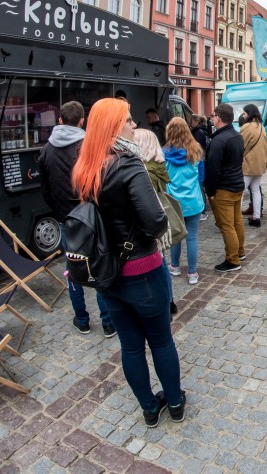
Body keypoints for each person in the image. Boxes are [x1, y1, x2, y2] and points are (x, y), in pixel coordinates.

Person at [71, 98, 183, 426]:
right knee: (160, 338)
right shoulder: (128, 164)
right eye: (128, 121)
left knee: (131, 347)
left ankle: (149, 408)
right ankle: (174, 403)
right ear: (113, 127)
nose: (134, 126)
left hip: (107, 274)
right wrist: (158, 220)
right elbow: (155, 221)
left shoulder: (84, 168)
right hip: (143, 269)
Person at [38, 101, 114, 337]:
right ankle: (108, 322)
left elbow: (45, 190)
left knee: (73, 269)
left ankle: (81, 320)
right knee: (99, 266)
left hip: (65, 219)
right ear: (82, 121)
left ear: (60, 120)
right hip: (91, 216)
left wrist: (61, 210)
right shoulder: (88, 147)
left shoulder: (46, 151)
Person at [133, 129, 181, 312]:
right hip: (160, 215)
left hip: (150, 219)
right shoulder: (158, 165)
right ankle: (169, 301)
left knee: (158, 262)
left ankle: (164, 302)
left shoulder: (144, 170)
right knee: (161, 260)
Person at [162, 119, 205, 284]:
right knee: (192, 237)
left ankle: (175, 266)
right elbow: (201, 177)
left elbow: (163, 177)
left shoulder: (164, 153)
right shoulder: (196, 151)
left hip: (174, 202)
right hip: (194, 200)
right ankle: (192, 273)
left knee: (176, 236)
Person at [206, 104, 246, 271]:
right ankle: (240, 251)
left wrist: (211, 191)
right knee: (237, 221)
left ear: (219, 118)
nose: (211, 118)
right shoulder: (237, 135)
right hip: (237, 184)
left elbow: (213, 169)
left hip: (224, 188)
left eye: (213, 116)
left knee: (226, 225)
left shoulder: (218, 140)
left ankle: (232, 259)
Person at [239, 104, 267, 228]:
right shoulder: (261, 127)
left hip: (248, 163)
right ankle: (256, 217)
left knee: (239, 191)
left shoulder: (246, 126)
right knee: (256, 190)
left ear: (249, 114)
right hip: (260, 163)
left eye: (245, 113)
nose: (243, 115)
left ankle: (236, 218)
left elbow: (241, 145)